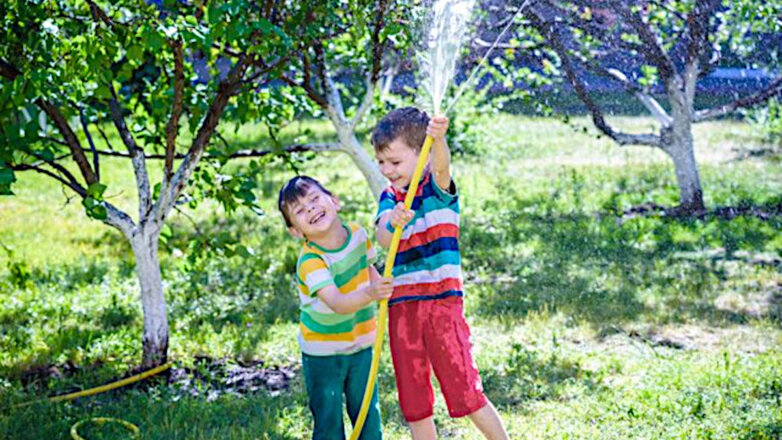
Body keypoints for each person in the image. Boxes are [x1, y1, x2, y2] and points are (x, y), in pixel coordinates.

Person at [372, 107, 509, 440]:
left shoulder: (436, 188)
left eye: (395, 162)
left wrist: (439, 139)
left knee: (464, 387)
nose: (387, 170)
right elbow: (381, 236)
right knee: (413, 397)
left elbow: (443, 163)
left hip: (442, 305)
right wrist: (392, 221)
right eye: (381, 163)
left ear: (423, 157)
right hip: (403, 308)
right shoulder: (390, 198)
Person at [278, 175, 393, 440]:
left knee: (367, 414)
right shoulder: (311, 261)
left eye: (315, 199)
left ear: (334, 201)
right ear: (296, 231)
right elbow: (339, 303)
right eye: (300, 210)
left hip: (362, 343)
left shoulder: (357, 234)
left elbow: (368, 270)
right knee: (328, 419)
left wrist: (383, 289)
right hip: (323, 352)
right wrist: (371, 293)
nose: (311, 209)